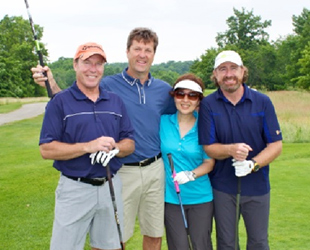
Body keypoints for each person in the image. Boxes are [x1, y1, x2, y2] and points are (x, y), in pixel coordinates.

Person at [32, 28, 176, 250]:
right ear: (127, 52)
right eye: (137, 48)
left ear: (154, 55)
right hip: (121, 171)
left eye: (148, 50)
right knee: (116, 239)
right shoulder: (108, 84)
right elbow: (71, 101)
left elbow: (185, 113)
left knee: (154, 233)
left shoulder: (163, 90)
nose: (142, 54)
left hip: (153, 168)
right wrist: (50, 82)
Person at [39, 42, 135, 250]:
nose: (93, 69)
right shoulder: (60, 102)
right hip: (75, 188)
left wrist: (115, 148)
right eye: (87, 62)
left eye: (98, 64)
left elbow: (130, 143)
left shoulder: (115, 101)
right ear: (75, 65)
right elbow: (46, 149)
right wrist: (87, 147)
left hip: (111, 184)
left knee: (110, 246)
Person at [198, 50, 283, 250]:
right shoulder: (208, 105)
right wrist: (231, 150)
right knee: (227, 243)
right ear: (215, 75)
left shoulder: (262, 101)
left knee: (259, 243)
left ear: (243, 71)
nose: (229, 74)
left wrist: (252, 164)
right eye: (223, 69)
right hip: (223, 187)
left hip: (257, 186)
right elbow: (209, 148)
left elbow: (276, 145)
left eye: (233, 68)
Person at [160, 73, 214, 250]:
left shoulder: (205, 125)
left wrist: (191, 174)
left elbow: (209, 162)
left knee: (201, 245)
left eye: (192, 95)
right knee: (178, 246)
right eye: (180, 94)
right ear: (174, 97)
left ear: (199, 100)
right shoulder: (162, 122)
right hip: (171, 198)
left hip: (200, 197)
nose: (185, 99)